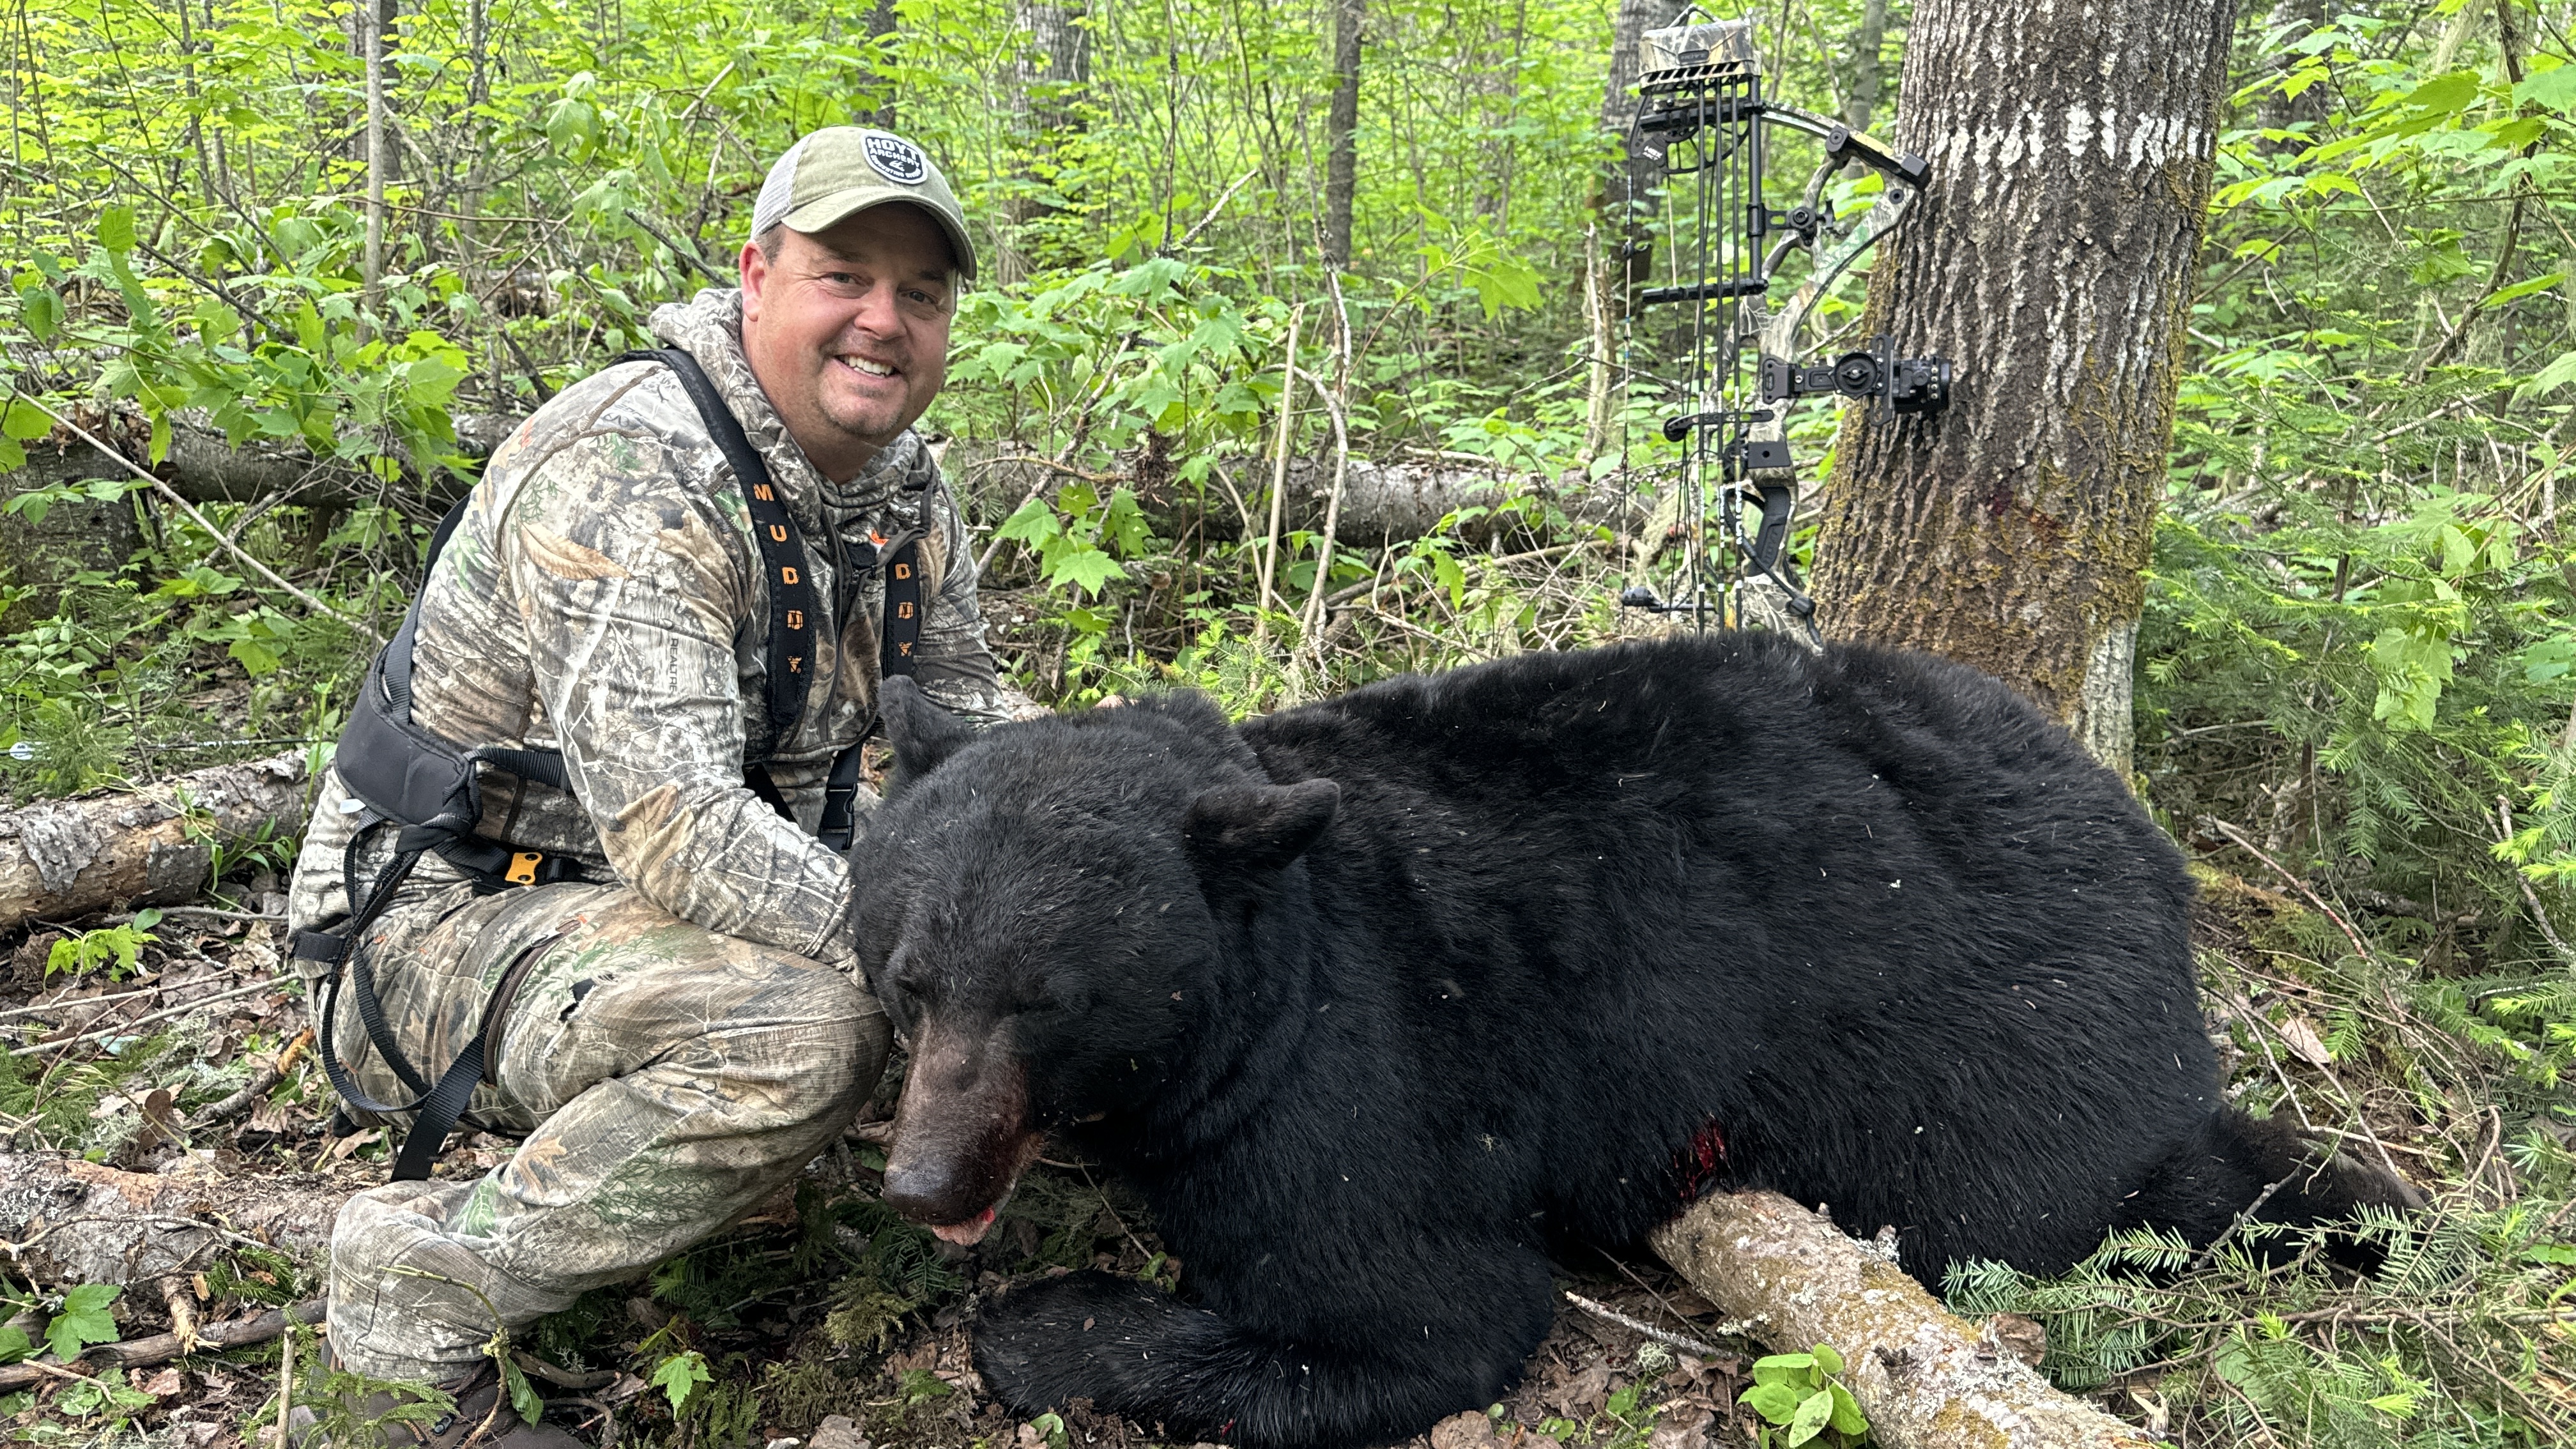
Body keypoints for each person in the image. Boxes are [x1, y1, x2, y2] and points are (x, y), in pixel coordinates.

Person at [283, 126, 1026, 1447]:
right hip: (442, 928)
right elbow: (679, 831)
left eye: (920, 294)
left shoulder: (905, 497)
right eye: (843, 275)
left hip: (634, 924)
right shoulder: (632, 469)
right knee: (804, 1034)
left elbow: (983, 724)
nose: (883, 321)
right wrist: (945, 957)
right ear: (754, 276)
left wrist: (1155, 828)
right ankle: (420, 1281)